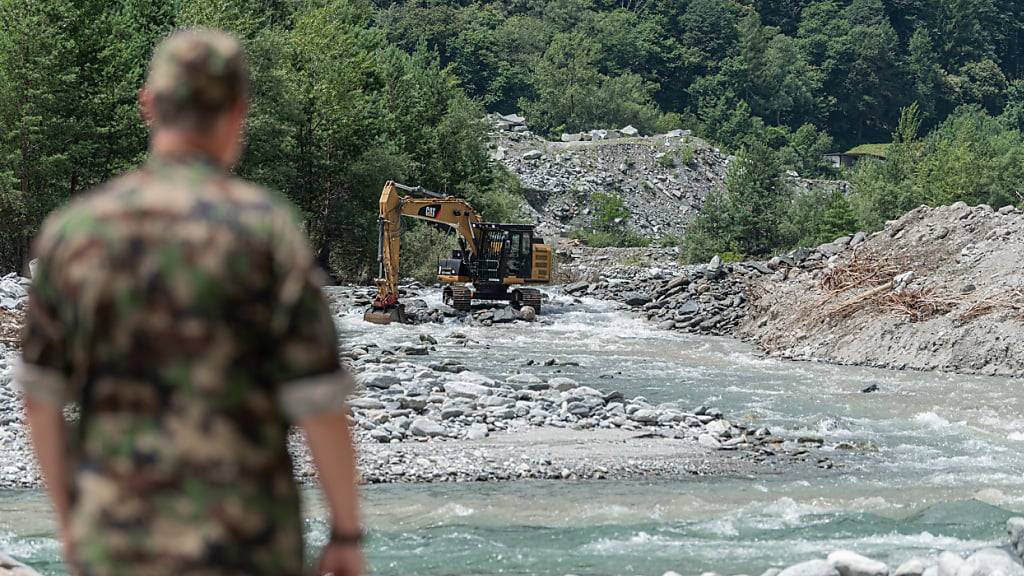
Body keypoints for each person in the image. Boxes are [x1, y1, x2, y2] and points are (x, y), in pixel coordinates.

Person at [19, 29, 363, 576]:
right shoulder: (263, 230)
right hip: (247, 543)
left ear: (149, 105)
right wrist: (346, 531)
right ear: (238, 113)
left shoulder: (75, 232)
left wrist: (73, 524)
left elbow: (39, 399)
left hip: (115, 542)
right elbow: (318, 399)